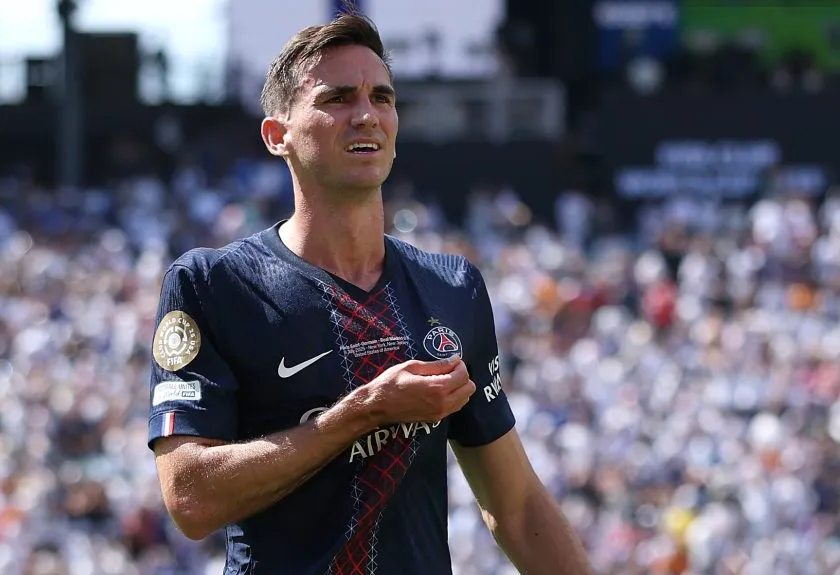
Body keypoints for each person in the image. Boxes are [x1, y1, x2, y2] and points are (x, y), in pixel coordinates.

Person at [146, 10, 593, 574]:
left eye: (381, 98)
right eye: (336, 99)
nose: (366, 115)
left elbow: (515, 502)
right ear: (277, 135)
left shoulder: (452, 287)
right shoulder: (213, 285)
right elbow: (190, 499)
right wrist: (361, 413)